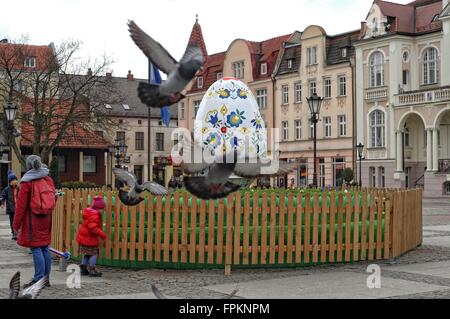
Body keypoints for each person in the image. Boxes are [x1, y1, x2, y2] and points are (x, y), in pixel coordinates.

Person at [13, 155, 56, 288]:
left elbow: (21, 206)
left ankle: (38, 279)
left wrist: (16, 224)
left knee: (36, 248)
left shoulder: (27, 182)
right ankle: (46, 278)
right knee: (45, 248)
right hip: (46, 218)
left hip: (33, 220)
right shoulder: (48, 178)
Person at [76, 196, 107, 277]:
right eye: (102, 209)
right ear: (98, 208)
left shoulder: (89, 213)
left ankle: (83, 268)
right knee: (94, 253)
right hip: (89, 239)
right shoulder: (94, 215)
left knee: (86, 254)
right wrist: (102, 234)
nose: (103, 211)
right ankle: (92, 270)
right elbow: (93, 228)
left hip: (85, 238)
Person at [1, 171, 19, 240]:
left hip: (18, 208)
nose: (15, 181)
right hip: (11, 208)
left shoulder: (18, 188)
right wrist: (2, 203)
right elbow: (3, 197)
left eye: (15, 180)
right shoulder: (6, 189)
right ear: (10, 182)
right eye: (13, 180)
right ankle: (14, 233)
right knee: (12, 221)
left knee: (17, 220)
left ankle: (17, 232)